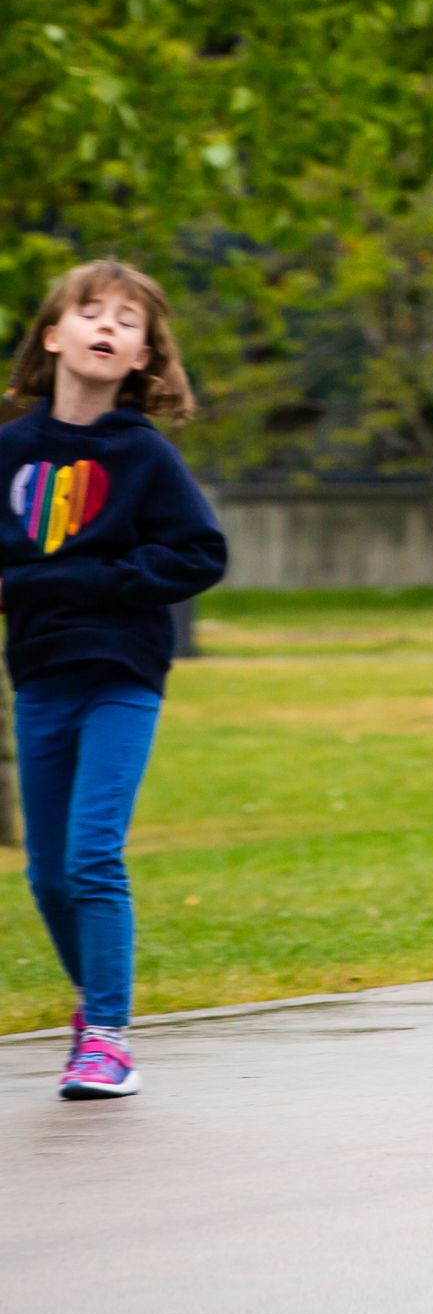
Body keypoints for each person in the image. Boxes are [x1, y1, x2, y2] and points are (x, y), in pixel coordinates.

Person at [4, 262, 226, 1099]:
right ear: (52, 337)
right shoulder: (10, 451)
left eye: (127, 321)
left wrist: (74, 580)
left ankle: (107, 1037)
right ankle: (90, 1001)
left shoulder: (144, 455)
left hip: (123, 673)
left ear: (144, 357)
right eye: (90, 312)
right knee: (47, 875)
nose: (107, 326)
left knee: (93, 854)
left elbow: (201, 554)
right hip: (39, 674)